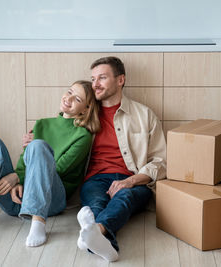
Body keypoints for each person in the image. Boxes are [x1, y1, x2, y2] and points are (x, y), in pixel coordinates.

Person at [0, 80, 100, 248]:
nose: (68, 99)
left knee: (38, 146)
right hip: (16, 198)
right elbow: (25, 159)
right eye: (69, 92)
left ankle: (38, 222)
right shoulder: (42, 123)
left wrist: (17, 177)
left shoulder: (82, 136)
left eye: (77, 99)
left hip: (51, 201)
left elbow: (59, 170)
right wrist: (16, 182)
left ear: (86, 109)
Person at [76, 57, 167, 261]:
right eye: (93, 79)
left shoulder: (145, 115)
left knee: (124, 197)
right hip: (95, 180)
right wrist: (34, 136)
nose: (95, 84)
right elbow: (59, 130)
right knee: (97, 205)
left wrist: (130, 181)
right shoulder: (85, 114)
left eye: (102, 78)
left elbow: (161, 161)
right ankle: (106, 243)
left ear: (120, 80)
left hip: (134, 180)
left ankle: (97, 233)